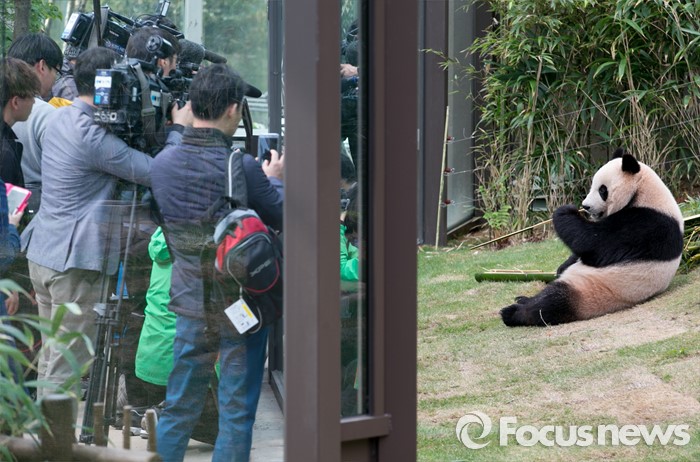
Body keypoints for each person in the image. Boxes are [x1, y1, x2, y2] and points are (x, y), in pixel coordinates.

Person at [20, 46, 192, 398]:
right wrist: (177, 129)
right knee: (67, 367)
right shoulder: (92, 135)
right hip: (73, 265)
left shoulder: (62, 118)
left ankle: (41, 429)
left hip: (44, 253)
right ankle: (54, 434)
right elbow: (158, 172)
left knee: (52, 357)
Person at [151, 63, 283, 462]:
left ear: (191, 106)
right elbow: (280, 215)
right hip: (239, 303)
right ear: (232, 109)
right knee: (236, 410)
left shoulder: (161, 164)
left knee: (180, 404)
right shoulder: (240, 166)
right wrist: (275, 178)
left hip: (190, 302)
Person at [7, 33, 64, 213]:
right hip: (35, 208)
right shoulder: (46, 114)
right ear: (42, 66)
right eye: (57, 72)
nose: (55, 80)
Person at [0, 58, 36, 315]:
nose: (34, 103)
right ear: (15, 101)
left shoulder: (9, 142)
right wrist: (8, 284)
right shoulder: (4, 152)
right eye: (31, 96)